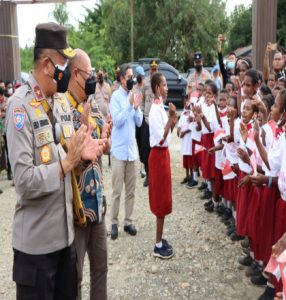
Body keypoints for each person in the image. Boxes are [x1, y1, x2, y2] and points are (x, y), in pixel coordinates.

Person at [5, 22, 97, 300]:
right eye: (63, 64)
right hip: (36, 252)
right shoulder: (19, 108)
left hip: (65, 242)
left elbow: (69, 159)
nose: (67, 72)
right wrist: (65, 164)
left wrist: (81, 158)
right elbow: (23, 181)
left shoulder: (60, 102)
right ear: (47, 65)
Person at [65, 49, 110, 300]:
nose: (93, 77)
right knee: (76, 275)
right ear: (76, 74)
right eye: (89, 73)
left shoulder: (92, 108)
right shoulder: (62, 111)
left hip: (98, 206)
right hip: (78, 210)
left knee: (101, 268)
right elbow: (68, 161)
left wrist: (106, 141)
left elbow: (105, 143)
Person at [109, 64, 143, 240]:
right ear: (122, 79)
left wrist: (136, 108)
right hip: (119, 151)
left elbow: (138, 122)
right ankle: (113, 223)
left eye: (132, 76)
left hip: (131, 151)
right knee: (116, 191)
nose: (132, 79)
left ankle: (128, 221)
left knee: (131, 190)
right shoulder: (115, 97)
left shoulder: (134, 95)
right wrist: (130, 106)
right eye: (129, 77)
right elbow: (117, 121)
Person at [148, 72, 177, 259]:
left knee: (164, 196)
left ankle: (160, 239)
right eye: (164, 85)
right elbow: (160, 139)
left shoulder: (161, 108)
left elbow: (168, 135)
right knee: (160, 200)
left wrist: (172, 120)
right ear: (157, 88)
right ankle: (157, 244)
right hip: (158, 156)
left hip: (162, 155)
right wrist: (170, 119)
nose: (167, 88)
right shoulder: (154, 110)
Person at [141, 60, 159, 187]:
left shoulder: (160, 81)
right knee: (146, 148)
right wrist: (143, 113)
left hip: (156, 119)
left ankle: (156, 175)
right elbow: (142, 99)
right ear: (149, 69)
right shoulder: (145, 82)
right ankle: (148, 174)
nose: (153, 70)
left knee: (156, 147)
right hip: (147, 119)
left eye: (155, 68)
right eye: (151, 68)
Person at [134, 65, 146, 178]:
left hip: (143, 118)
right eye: (137, 75)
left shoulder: (145, 87)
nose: (139, 77)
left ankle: (143, 166)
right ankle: (141, 163)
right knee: (137, 140)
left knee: (143, 142)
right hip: (135, 118)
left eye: (140, 75)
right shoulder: (134, 88)